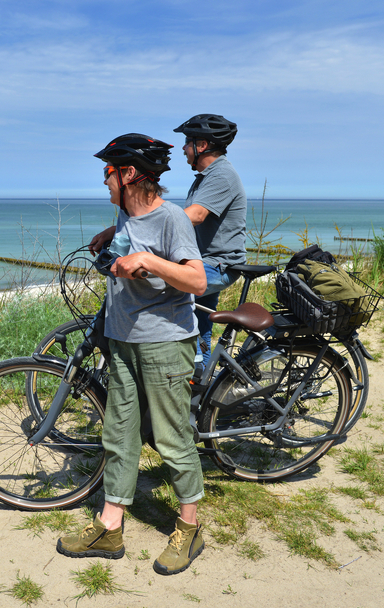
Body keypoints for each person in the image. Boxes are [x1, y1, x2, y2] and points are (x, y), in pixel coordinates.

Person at [58, 134, 207, 576]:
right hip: (122, 343)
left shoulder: (172, 219)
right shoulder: (126, 213)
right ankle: (110, 526)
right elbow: (128, 237)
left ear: (128, 174)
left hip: (164, 344)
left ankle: (190, 527)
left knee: (172, 438)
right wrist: (111, 237)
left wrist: (148, 261)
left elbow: (196, 281)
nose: (102, 181)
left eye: (107, 173)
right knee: (119, 436)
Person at [172, 114, 247, 371]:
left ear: (201, 145)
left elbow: (194, 216)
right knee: (200, 324)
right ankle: (200, 389)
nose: (183, 148)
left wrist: (146, 228)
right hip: (206, 263)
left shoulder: (221, 174)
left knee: (162, 290)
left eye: (186, 142)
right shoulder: (205, 176)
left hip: (218, 266)